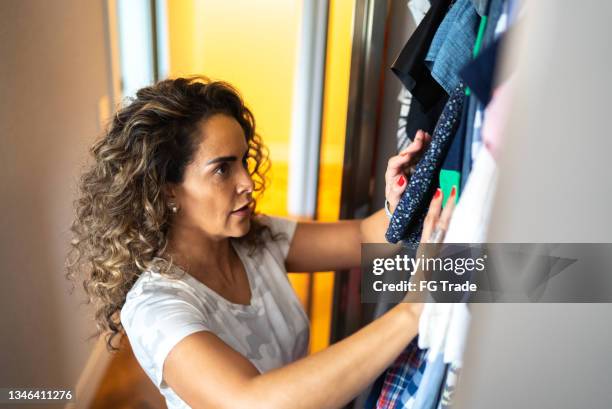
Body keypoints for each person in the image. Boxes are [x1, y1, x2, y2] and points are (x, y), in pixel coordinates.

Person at [67, 76, 455, 409]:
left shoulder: (254, 237)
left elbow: (359, 238)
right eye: (222, 168)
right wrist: (413, 311)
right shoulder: (155, 308)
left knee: (499, 277)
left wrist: (396, 204)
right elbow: (250, 401)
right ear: (168, 191)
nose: (247, 183)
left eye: (242, 162)